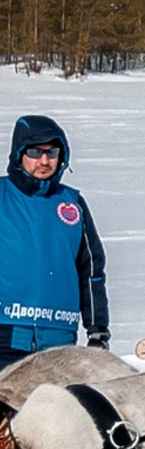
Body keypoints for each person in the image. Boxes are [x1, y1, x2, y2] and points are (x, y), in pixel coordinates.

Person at [0, 113, 109, 360]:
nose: (45, 160)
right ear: (19, 153)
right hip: (6, 335)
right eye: (36, 152)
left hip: (59, 340)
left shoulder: (72, 204)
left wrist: (98, 331)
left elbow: (91, 271)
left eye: (52, 152)